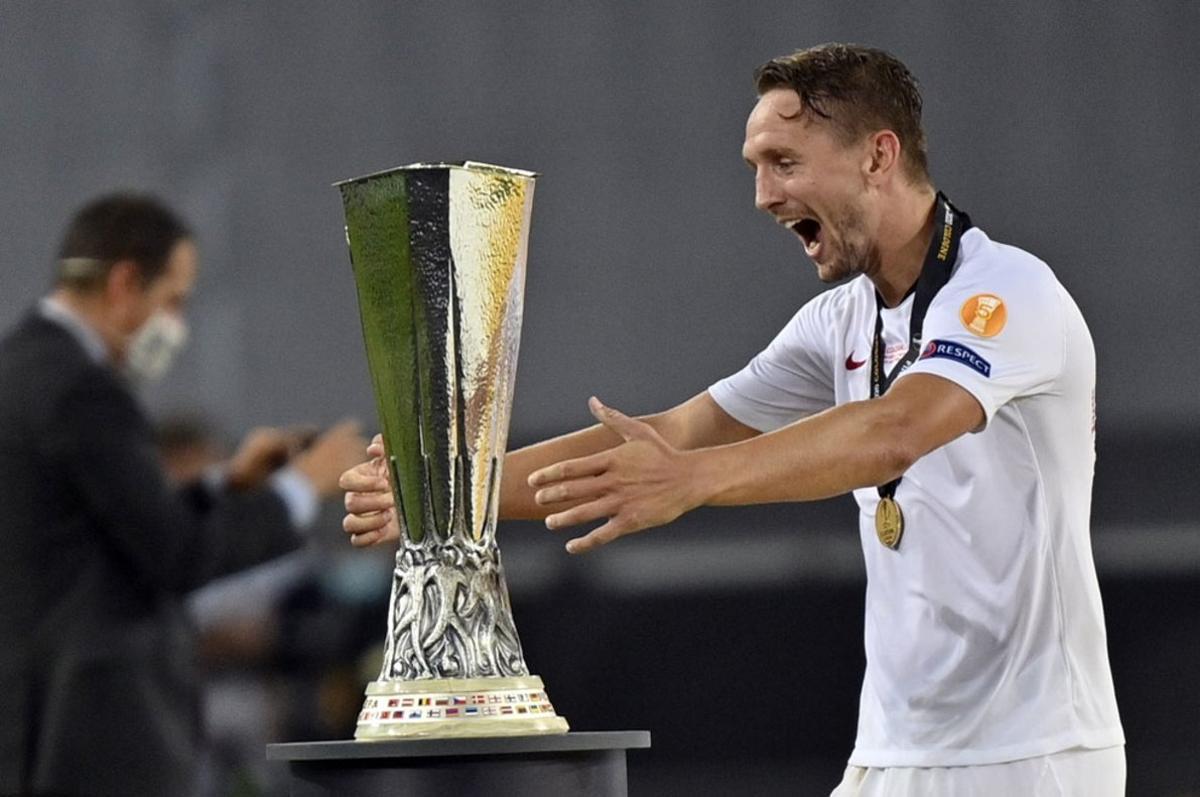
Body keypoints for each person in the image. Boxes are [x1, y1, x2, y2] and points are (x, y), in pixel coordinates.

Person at [340, 43, 1125, 795]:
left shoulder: (1009, 290)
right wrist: (441, 493)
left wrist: (693, 482)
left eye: (784, 163)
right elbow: (674, 432)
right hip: (895, 751)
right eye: (756, 168)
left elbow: (898, 429)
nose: (763, 196)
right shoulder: (839, 321)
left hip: (1037, 752)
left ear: (878, 157)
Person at [0, 192, 367, 796]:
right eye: (173, 301)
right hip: (92, 741)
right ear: (124, 282)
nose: (177, 325)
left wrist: (227, 484)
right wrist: (304, 485)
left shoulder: (25, 369)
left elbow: (112, 527)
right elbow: (176, 554)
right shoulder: (80, 390)